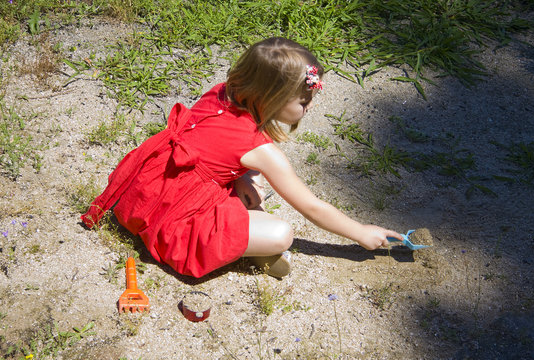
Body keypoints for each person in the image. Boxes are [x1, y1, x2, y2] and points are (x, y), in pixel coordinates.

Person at [81, 37, 403, 279]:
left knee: (251, 182)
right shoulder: (260, 150)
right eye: (304, 100)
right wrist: (360, 232)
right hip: (173, 215)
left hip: (147, 187)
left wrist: (239, 177)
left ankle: (247, 238)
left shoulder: (221, 92)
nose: (310, 106)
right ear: (273, 97)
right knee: (281, 233)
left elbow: (211, 148)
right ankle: (242, 248)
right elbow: (312, 206)